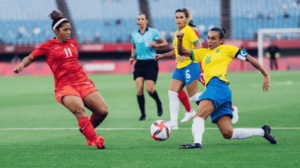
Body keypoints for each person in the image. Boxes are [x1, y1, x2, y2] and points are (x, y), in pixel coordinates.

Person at [13, 10, 107, 149]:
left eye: (69, 29)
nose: (68, 32)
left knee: (102, 111)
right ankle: (94, 140)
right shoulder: (47, 46)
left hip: (83, 81)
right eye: (65, 30)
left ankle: (87, 130)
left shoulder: (73, 43)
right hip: (65, 86)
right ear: (56, 31)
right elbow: (30, 57)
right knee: (80, 111)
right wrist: (21, 65)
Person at [175, 27, 277, 149]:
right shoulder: (203, 52)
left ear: (221, 40)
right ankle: (262, 131)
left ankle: (197, 143)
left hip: (217, 85)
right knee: (228, 133)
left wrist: (266, 74)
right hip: (218, 90)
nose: (210, 41)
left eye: (213, 38)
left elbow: (249, 58)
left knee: (199, 115)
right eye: (208, 38)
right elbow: (181, 52)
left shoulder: (228, 49)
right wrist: (179, 39)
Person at [155, 8, 202, 130]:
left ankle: (217, 98)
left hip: (190, 65)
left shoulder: (189, 31)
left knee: (193, 97)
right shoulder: (177, 33)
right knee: (172, 93)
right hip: (180, 67)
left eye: (181, 17)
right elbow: (176, 52)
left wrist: (186, 55)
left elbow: (199, 47)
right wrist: (163, 55)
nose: (179, 19)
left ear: (186, 19)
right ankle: (173, 123)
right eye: (177, 17)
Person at [130, 13, 168, 121]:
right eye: (139, 19)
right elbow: (133, 47)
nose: (140, 21)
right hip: (140, 63)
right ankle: (143, 114)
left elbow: (164, 43)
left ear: (146, 21)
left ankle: (158, 102)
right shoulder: (134, 34)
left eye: (142, 19)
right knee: (139, 90)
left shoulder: (153, 32)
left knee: (149, 89)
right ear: (137, 21)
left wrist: (156, 45)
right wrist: (132, 56)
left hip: (151, 63)